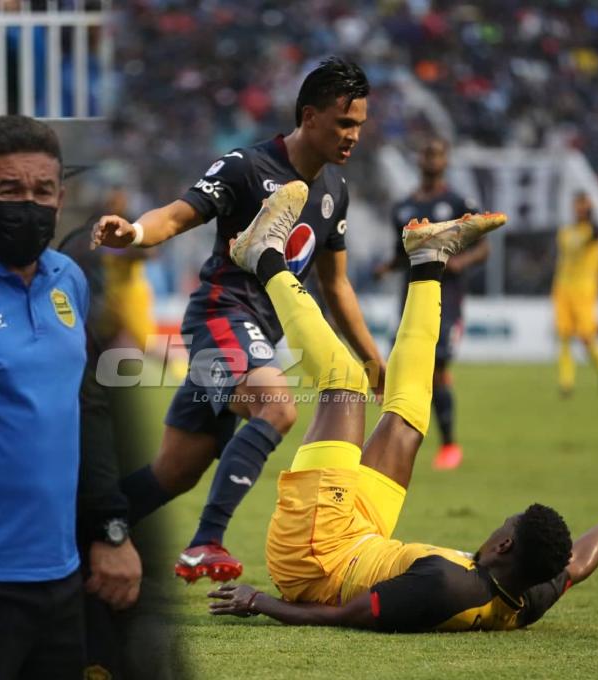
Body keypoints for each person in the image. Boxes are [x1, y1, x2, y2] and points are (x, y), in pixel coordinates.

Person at [205, 184, 598, 630]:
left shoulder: (448, 585)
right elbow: (579, 564)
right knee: (410, 419)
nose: (500, 524)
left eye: (508, 524)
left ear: (505, 545)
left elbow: (348, 614)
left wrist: (262, 602)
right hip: (363, 534)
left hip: (316, 556)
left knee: (345, 382)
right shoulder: (525, 595)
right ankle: (429, 260)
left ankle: (264, 255)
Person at [93, 57, 386, 583]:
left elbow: (336, 286)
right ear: (309, 116)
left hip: (254, 336)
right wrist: (134, 233)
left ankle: (83, 531)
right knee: (276, 407)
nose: (353, 136)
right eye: (345, 123)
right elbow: (178, 214)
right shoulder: (246, 167)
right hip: (219, 316)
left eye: (360, 124)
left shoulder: (334, 192)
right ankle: (206, 542)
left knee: (174, 472)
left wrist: (370, 355)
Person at [0, 115, 140, 679]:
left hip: (60, 574)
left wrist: (106, 529)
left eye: (42, 191)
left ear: (61, 197)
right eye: (10, 190)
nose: (30, 204)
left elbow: (79, 408)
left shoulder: (67, 278)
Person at [375, 137, 486, 470]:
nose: (431, 159)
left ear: (446, 160)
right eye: (426, 152)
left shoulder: (457, 203)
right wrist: (386, 267)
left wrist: (459, 263)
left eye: (437, 153)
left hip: (447, 301)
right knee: (400, 369)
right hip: (410, 301)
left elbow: (484, 248)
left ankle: (449, 444)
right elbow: (401, 254)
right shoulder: (403, 208)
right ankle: (400, 438)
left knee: (436, 369)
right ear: (418, 158)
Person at [552, 192, 598, 396]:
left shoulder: (594, 232)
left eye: (583, 206)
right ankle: (566, 383)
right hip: (563, 288)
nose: (579, 210)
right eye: (577, 205)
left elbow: (597, 232)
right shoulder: (566, 232)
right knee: (564, 336)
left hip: (585, 290)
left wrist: (591, 212)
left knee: (586, 337)